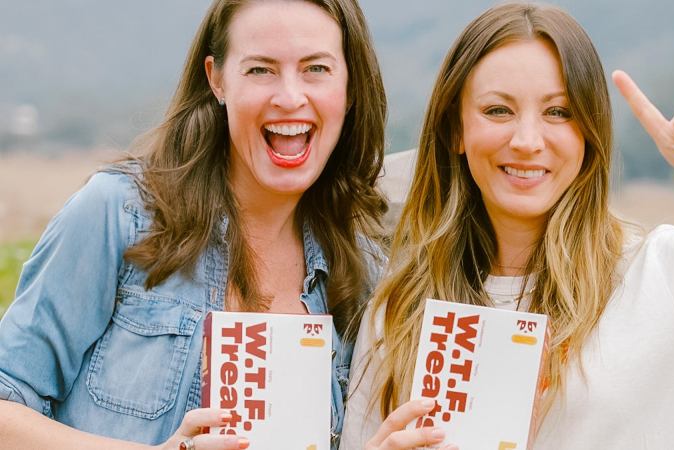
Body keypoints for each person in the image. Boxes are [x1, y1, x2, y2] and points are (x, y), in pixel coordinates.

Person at [340, 2, 674, 449]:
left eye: (558, 112)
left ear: (589, 132)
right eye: (498, 110)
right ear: (455, 129)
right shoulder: (399, 310)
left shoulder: (668, 274)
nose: (526, 141)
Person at [0, 0, 387, 449]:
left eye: (316, 69)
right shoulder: (119, 214)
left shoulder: (364, 271)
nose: (289, 97)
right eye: (260, 70)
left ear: (350, 86)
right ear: (217, 79)